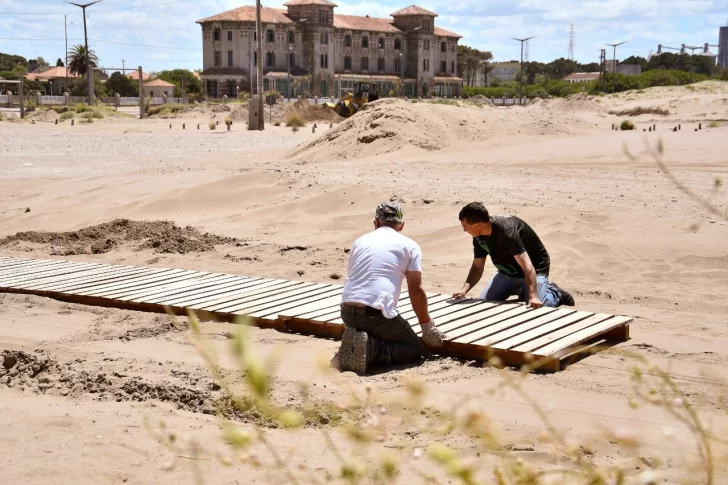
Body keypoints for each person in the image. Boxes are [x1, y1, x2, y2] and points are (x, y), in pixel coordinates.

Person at [334, 202, 445, 374]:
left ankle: (355, 345)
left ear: (376, 223)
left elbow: (354, 279)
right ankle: (371, 350)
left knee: (374, 327)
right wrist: (427, 328)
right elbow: (415, 290)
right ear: (401, 225)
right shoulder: (409, 246)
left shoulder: (359, 242)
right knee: (413, 348)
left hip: (347, 311)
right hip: (375, 314)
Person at [452, 202, 574, 309]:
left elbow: (527, 265)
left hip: (534, 270)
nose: (464, 230)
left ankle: (554, 293)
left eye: (466, 226)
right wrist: (464, 290)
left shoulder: (507, 231)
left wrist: (533, 296)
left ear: (478, 225)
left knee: (538, 307)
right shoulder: (478, 237)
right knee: (485, 303)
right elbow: (477, 267)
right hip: (508, 272)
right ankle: (520, 288)